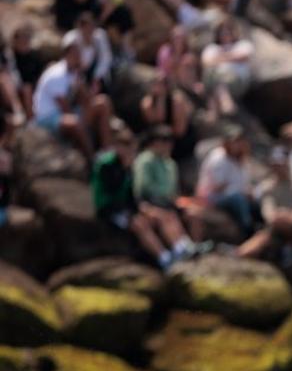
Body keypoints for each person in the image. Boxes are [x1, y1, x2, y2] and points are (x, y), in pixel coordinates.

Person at [93, 122, 195, 269]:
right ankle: (164, 258)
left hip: (128, 207)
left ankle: (181, 249)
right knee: (140, 224)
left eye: (130, 146)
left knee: (159, 215)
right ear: (116, 146)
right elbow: (110, 193)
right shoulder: (106, 164)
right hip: (110, 209)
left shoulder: (129, 164)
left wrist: (139, 208)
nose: (129, 150)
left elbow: (131, 194)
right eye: (125, 145)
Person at [236, 145, 292, 265]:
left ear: (288, 163)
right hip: (276, 225)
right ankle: (238, 254)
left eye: (281, 164)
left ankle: (290, 248)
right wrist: (277, 217)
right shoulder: (269, 186)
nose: (279, 168)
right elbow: (267, 209)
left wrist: (291, 217)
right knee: (257, 241)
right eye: (276, 165)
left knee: (277, 229)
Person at [33, 41, 113, 160]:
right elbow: (64, 107)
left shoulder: (75, 73)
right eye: (75, 54)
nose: (78, 57)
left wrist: (81, 82)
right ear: (66, 55)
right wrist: (84, 119)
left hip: (67, 112)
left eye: (79, 54)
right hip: (48, 117)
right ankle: (92, 159)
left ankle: (107, 151)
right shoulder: (56, 75)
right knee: (75, 122)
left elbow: (87, 100)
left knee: (103, 102)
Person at [196, 124, 256, 236]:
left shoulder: (242, 159)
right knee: (238, 198)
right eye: (234, 141)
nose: (237, 145)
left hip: (233, 195)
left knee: (256, 197)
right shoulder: (218, 158)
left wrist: (248, 192)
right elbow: (218, 187)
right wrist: (242, 193)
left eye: (240, 141)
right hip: (212, 197)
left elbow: (244, 183)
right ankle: (248, 230)